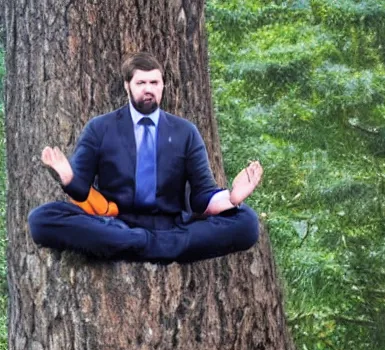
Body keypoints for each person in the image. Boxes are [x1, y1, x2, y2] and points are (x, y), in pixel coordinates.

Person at [28, 52, 263, 263]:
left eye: (154, 82)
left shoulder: (185, 131)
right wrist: (68, 178)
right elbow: (81, 191)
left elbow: (202, 197)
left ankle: (139, 245)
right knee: (41, 219)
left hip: (171, 225)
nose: (148, 89)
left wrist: (232, 199)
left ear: (162, 87)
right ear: (127, 86)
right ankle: (149, 244)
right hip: (116, 224)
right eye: (141, 82)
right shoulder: (100, 128)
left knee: (247, 223)